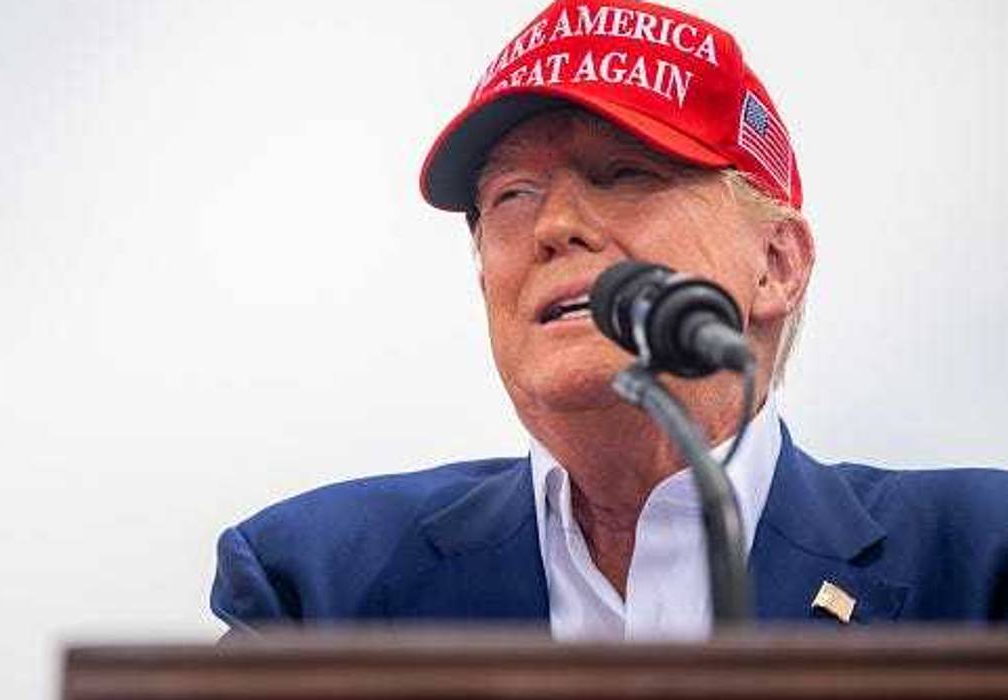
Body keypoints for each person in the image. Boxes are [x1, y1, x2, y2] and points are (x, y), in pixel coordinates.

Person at [210, 0, 1008, 638]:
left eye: (624, 173)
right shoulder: (319, 585)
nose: (554, 225)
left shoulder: (980, 567)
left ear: (776, 264)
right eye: (511, 195)